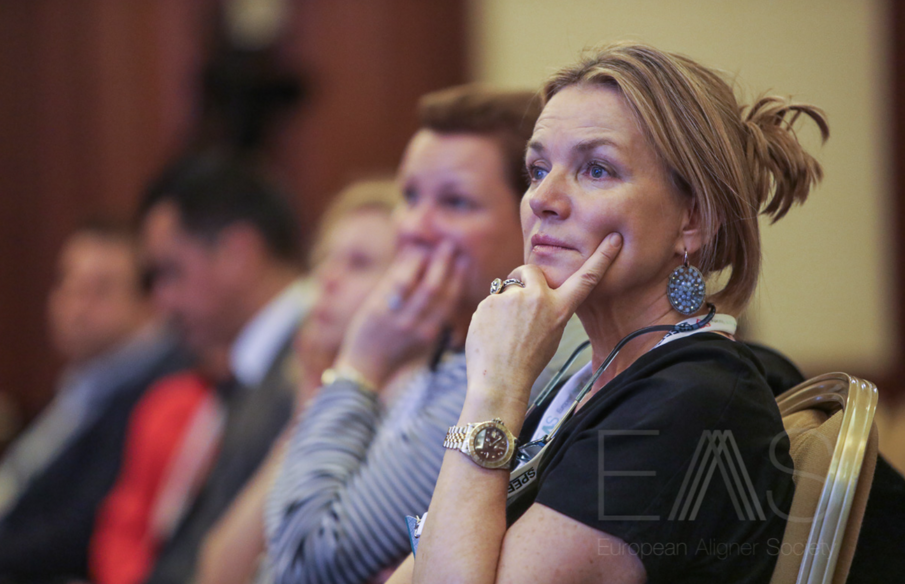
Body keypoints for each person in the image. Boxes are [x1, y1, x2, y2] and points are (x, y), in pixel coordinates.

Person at [388, 42, 829, 584]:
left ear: (694, 218)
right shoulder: (582, 383)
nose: (543, 199)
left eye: (596, 169)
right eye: (537, 168)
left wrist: (496, 386)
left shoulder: (690, 402)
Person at [264, 86, 587, 584]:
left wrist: (357, 365)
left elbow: (307, 561)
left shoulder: (509, 369)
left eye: (455, 202)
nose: (415, 226)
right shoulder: (442, 353)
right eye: (410, 196)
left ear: (531, 215)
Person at [194, 178, 405, 584]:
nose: (327, 278)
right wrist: (306, 414)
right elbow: (217, 569)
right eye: (324, 258)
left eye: (359, 262)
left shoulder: (414, 411)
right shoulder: (304, 391)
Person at [138, 153, 312, 584]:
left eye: (172, 271)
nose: (162, 301)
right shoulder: (255, 367)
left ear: (237, 252)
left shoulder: (306, 368)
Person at [0, 221, 188, 582]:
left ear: (151, 303)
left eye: (99, 291)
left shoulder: (159, 388)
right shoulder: (85, 380)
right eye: (66, 285)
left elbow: (81, 528)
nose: (75, 306)